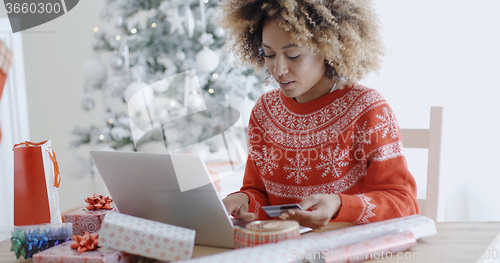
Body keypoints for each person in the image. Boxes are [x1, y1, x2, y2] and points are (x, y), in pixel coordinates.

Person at [215, 0, 419, 229]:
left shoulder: (368, 109)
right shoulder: (265, 111)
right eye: (269, 54)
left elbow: (405, 205)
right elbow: (259, 194)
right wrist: (244, 200)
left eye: (293, 56)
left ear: (327, 49)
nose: (278, 70)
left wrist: (340, 205)